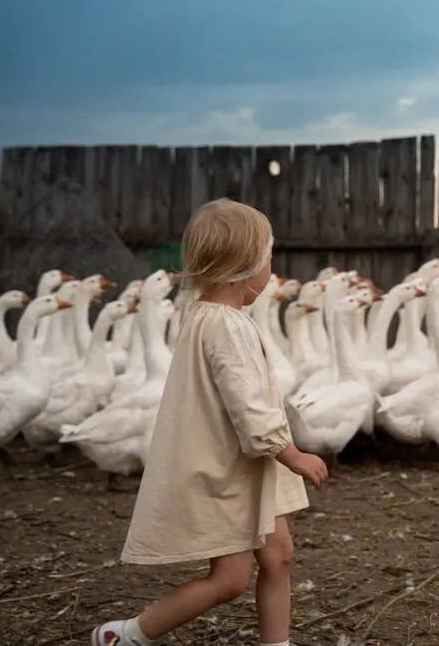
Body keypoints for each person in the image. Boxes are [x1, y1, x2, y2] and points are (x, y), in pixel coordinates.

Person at [92, 199, 329, 646]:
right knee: (229, 579)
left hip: (252, 467)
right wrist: (292, 454)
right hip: (231, 470)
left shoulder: (206, 316)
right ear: (248, 266)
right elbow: (250, 408)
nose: (270, 268)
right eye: (269, 258)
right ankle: (125, 636)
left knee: (278, 555)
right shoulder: (226, 327)